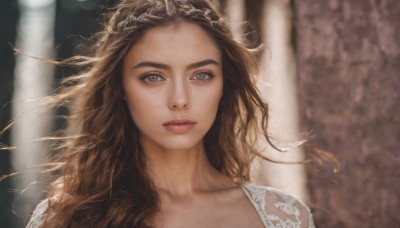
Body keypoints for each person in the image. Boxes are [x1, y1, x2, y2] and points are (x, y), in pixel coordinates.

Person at [26, 0, 315, 227]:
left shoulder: (285, 218)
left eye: (201, 75)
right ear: (120, 86)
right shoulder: (67, 217)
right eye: (153, 77)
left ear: (224, 84)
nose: (180, 100)